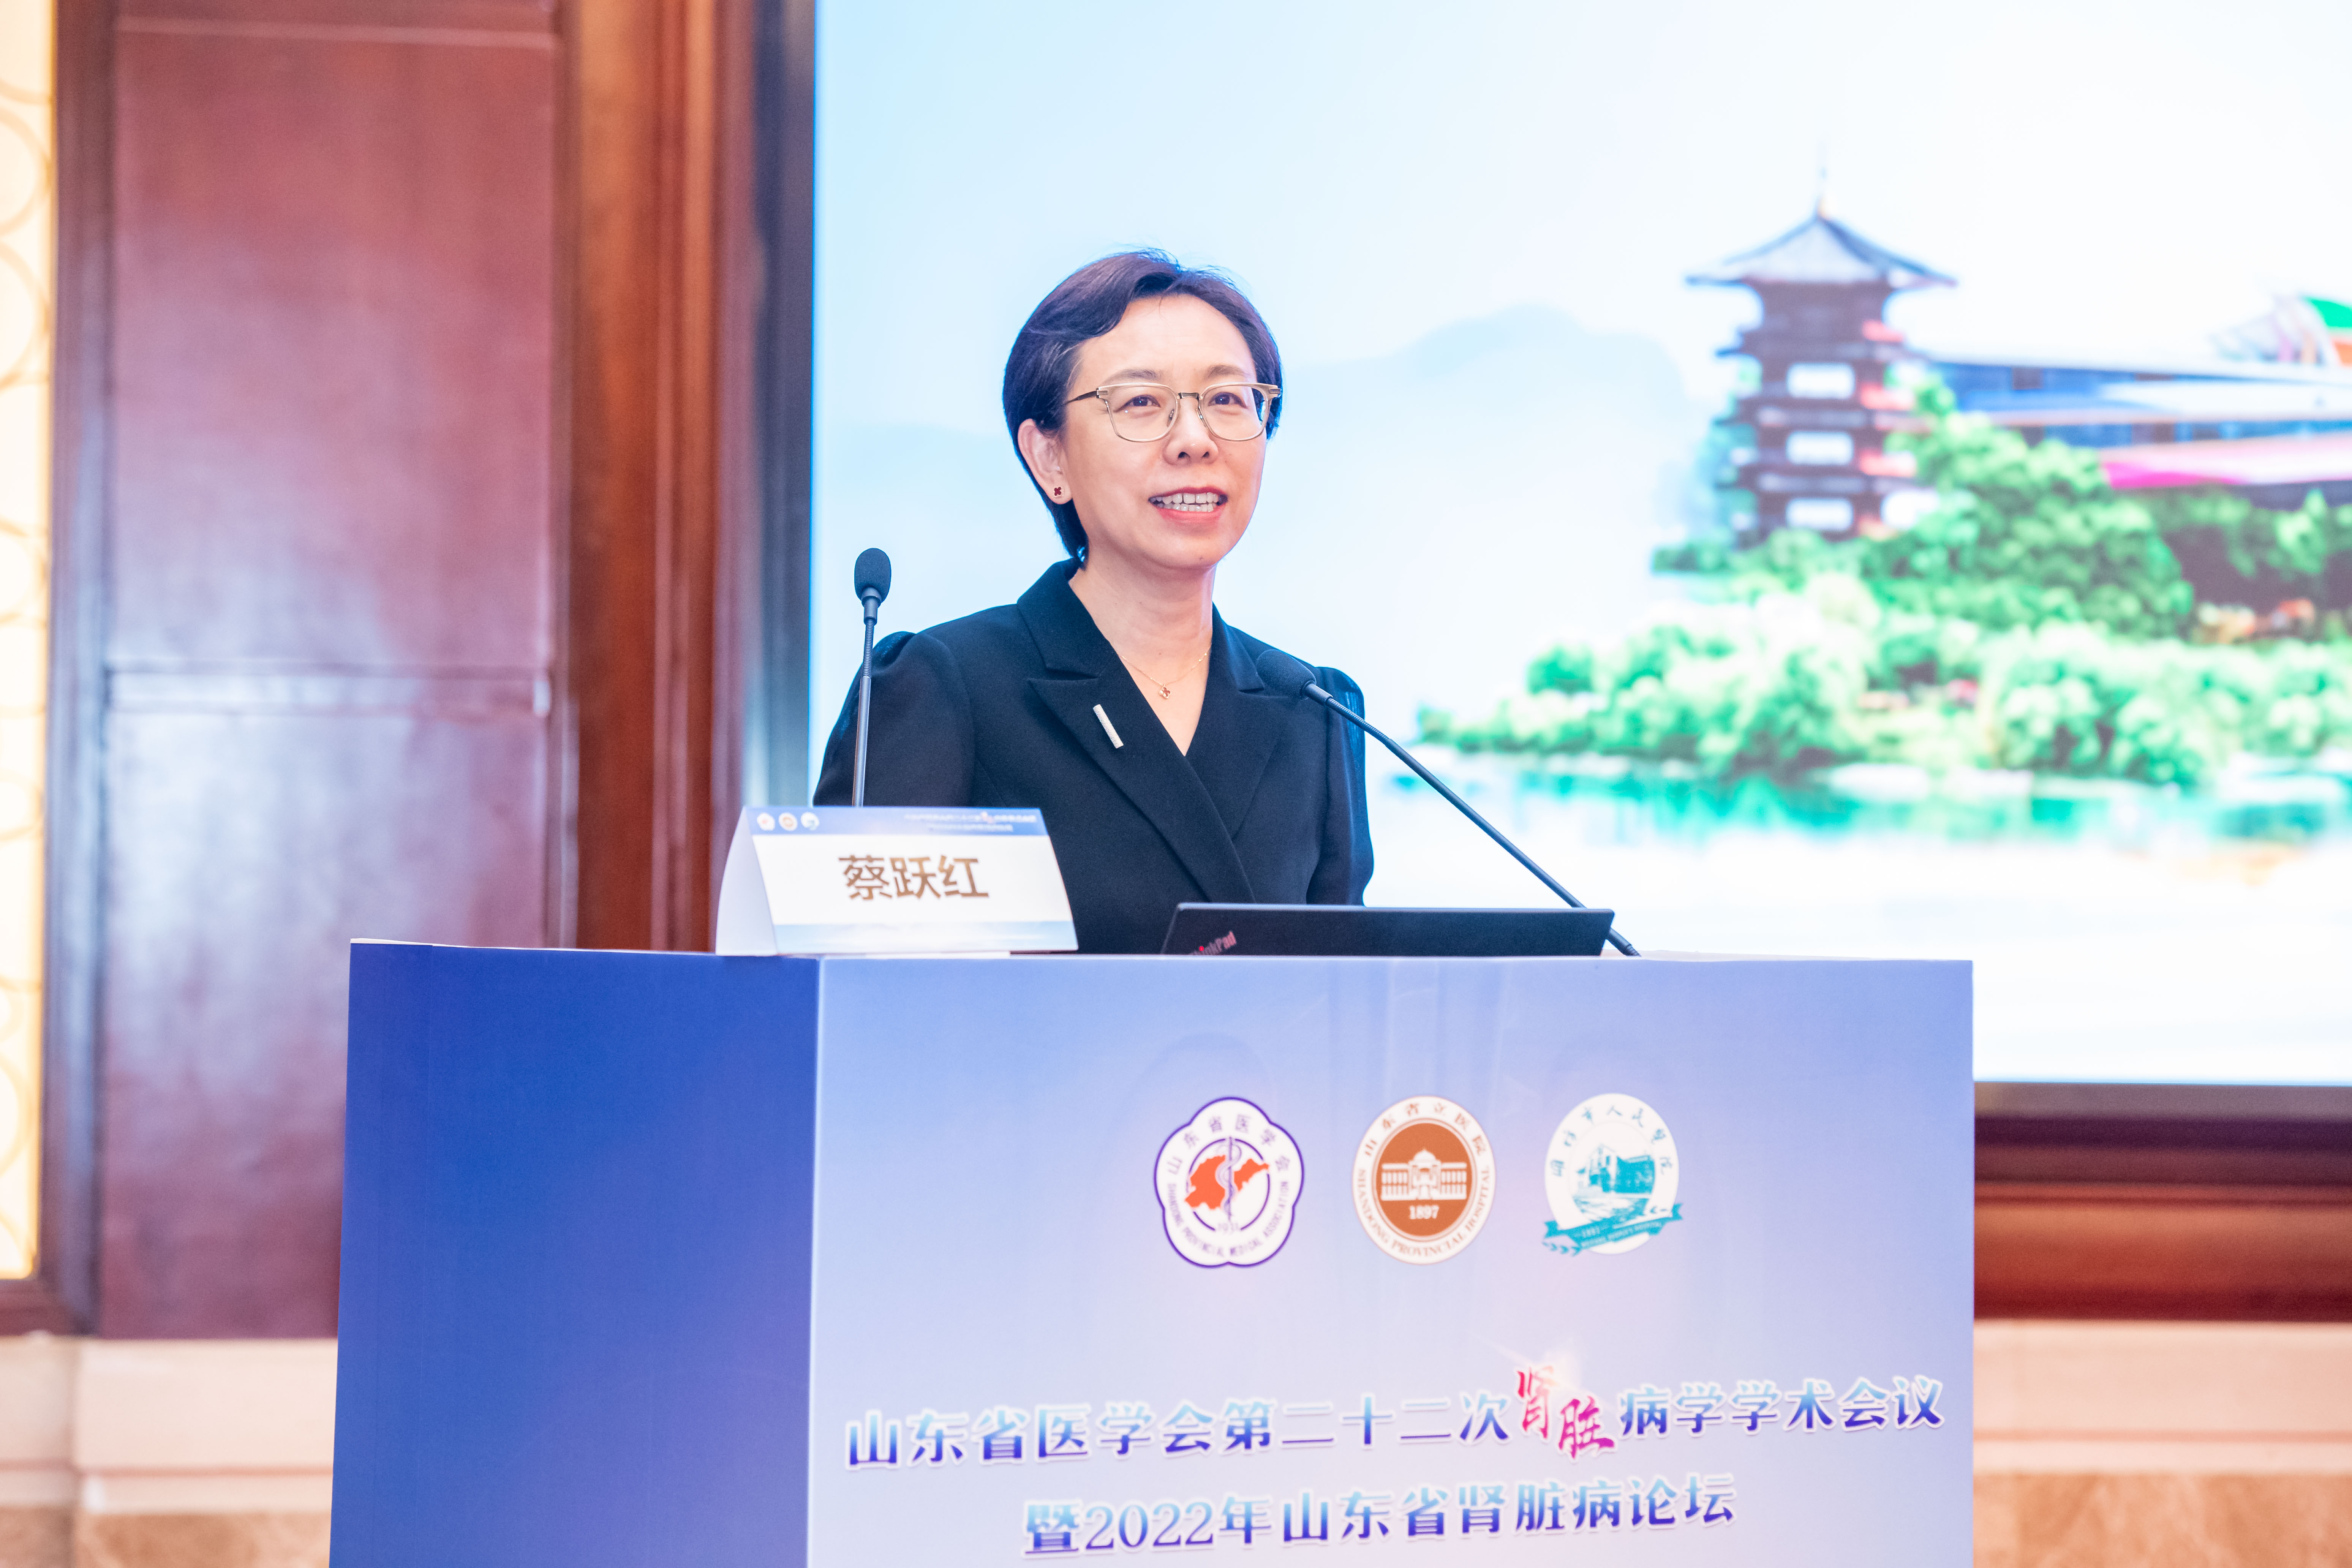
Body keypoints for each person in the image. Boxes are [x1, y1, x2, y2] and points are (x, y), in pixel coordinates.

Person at [812, 250, 1374, 952]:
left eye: (1229, 399)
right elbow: (853, 981)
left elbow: (1344, 994)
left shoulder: (1312, 711)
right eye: (1141, 403)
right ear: (1049, 457)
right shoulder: (945, 687)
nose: (1195, 440)